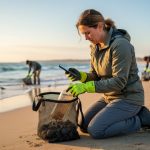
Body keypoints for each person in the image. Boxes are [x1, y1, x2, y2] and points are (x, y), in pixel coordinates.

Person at [65, 9, 150, 139]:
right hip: (109, 97)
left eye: (88, 33)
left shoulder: (120, 45)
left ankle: (141, 119)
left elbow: (119, 81)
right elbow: (95, 75)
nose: (86, 38)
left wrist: (87, 87)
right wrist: (81, 76)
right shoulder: (95, 47)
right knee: (84, 125)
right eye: (83, 34)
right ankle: (123, 115)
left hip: (128, 97)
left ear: (100, 26)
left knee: (96, 130)